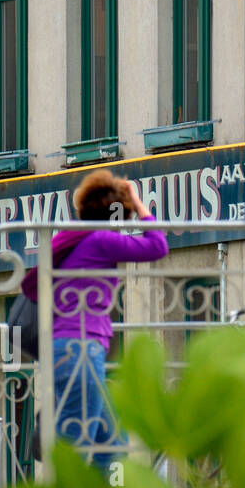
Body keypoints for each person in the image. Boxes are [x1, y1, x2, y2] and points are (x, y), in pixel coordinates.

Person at [21, 171, 168, 471]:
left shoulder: (77, 238)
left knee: (111, 439)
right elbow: (157, 246)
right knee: (76, 439)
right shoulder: (101, 240)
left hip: (71, 348)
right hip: (80, 349)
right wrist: (139, 204)